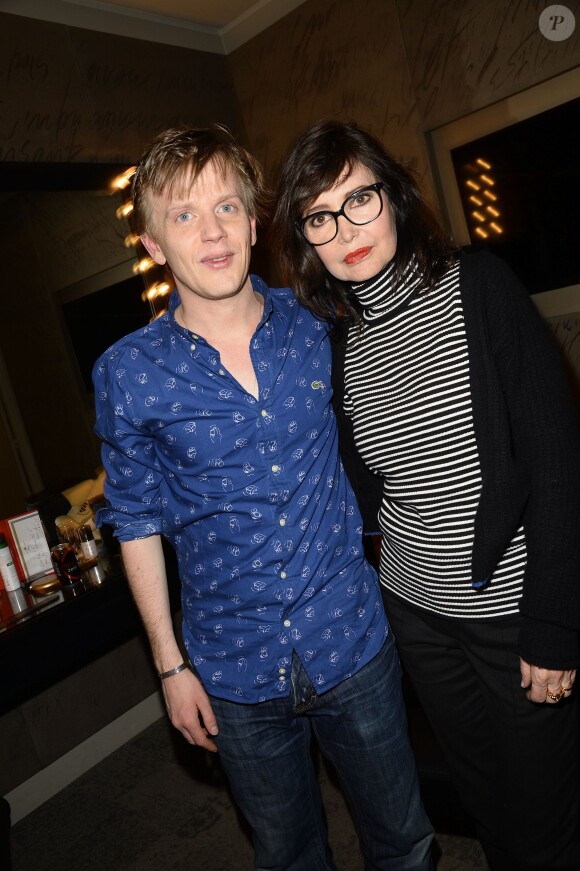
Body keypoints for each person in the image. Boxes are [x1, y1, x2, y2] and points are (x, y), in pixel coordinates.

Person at [92, 124, 434, 871]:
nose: (211, 232)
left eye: (226, 208)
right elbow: (136, 521)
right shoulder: (128, 373)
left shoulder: (321, 324)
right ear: (152, 243)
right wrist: (170, 667)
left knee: (405, 840)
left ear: (254, 221)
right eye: (183, 215)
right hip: (233, 672)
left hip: (352, 640)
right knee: (286, 856)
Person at [271, 119, 580, 871]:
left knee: (546, 817)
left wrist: (553, 622)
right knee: (484, 799)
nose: (346, 229)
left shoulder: (480, 286)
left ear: (395, 196)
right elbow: (358, 481)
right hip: (418, 617)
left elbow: (558, 458)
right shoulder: (339, 341)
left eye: (360, 199)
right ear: (306, 238)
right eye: (320, 215)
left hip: (513, 611)